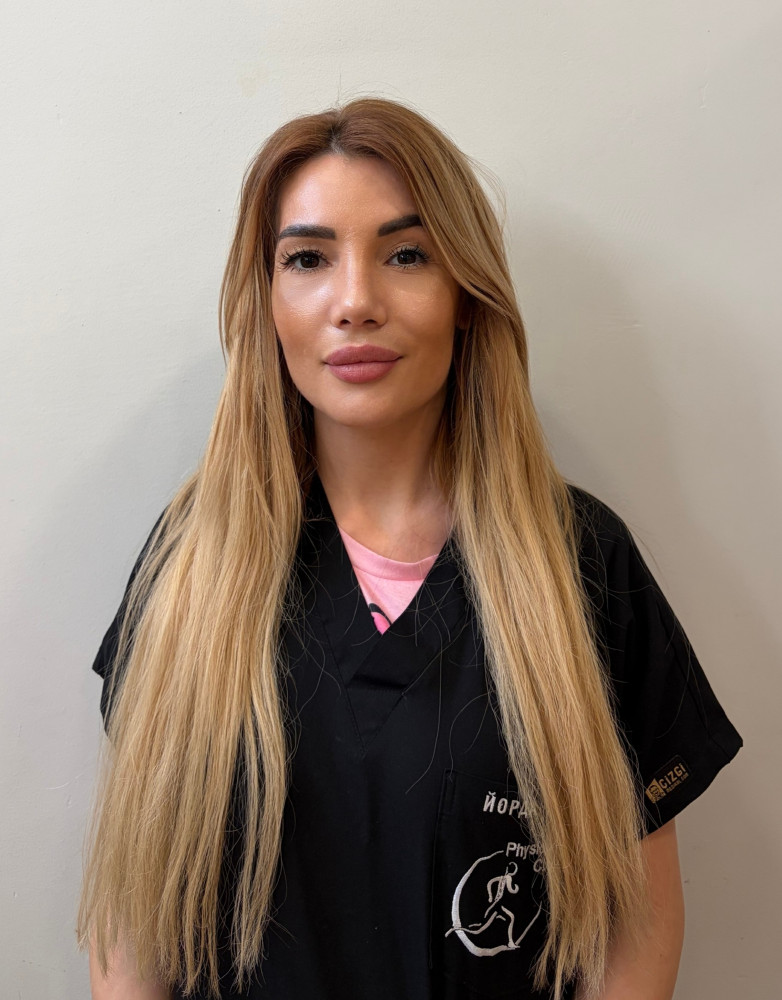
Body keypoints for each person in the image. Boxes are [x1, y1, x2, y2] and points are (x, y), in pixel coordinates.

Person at [78, 97, 743, 1000]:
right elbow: (133, 930)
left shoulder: (583, 566)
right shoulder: (191, 567)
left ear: (466, 296)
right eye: (307, 259)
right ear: (266, 302)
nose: (355, 301)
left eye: (406, 255)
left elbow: (637, 929)